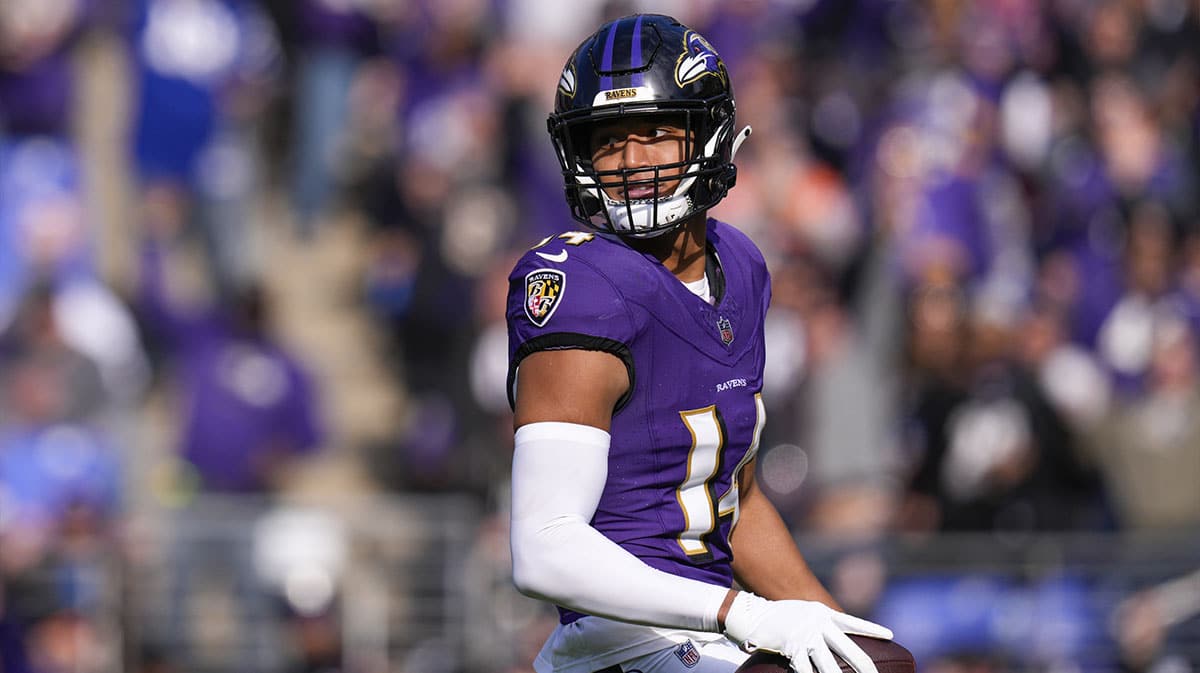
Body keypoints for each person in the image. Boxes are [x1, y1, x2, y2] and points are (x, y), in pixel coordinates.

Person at [505, 14, 893, 673]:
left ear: (706, 136)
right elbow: (543, 547)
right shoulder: (580, 285)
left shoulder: (740, 266)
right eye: (607, 141)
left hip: (711, 634)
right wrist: (739, 611)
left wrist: (824, 618)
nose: (631, 162)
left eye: (655, 133)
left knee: (883, 663)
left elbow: (730, 487)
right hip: (616, 642)